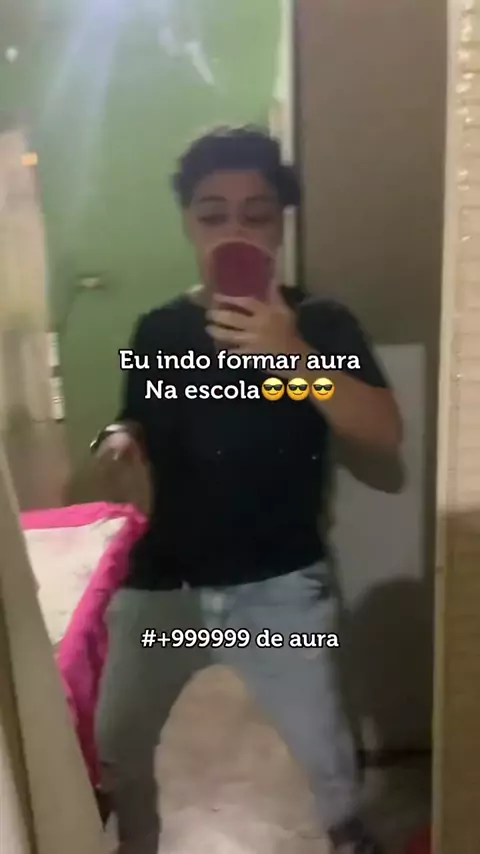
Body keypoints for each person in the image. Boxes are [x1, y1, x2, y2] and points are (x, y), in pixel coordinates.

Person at [92, 126, 402, 854]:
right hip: (166, 582)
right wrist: (119, 437)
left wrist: (293, 354)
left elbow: (383, 433)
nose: (234, 230)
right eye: (212, 214)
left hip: (279, 583)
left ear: (281, 224)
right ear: (187, 221)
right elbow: (138, 414)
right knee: (117, 748)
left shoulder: (321, 322)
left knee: (326, 763)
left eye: (256, 214)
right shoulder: (159, 329)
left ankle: (347, 838)